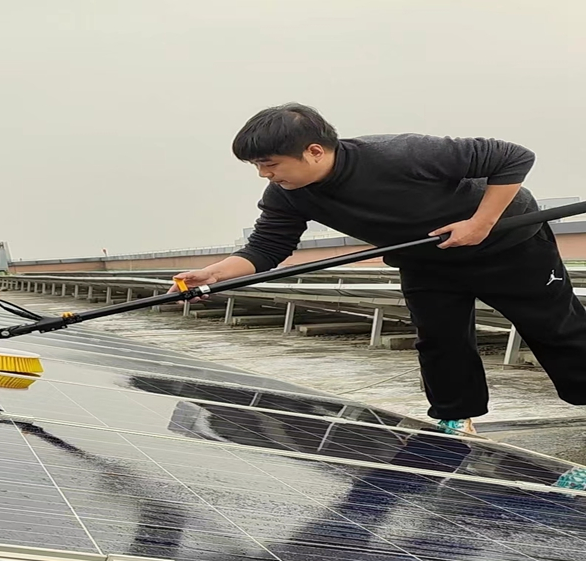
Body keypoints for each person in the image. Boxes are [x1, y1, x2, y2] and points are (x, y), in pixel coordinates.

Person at [169, 103, 586, 436]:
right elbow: (268, 246)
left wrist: (479, 224)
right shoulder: (287, 194)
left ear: (314, 151)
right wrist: (218, 273)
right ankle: (456, 421)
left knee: (556, 329)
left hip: (509, 246)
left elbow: (513, 157)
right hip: (426, 259)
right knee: (441, 341)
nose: (265, 174)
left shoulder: (398, 154)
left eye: (270, 163)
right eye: (257, 167)